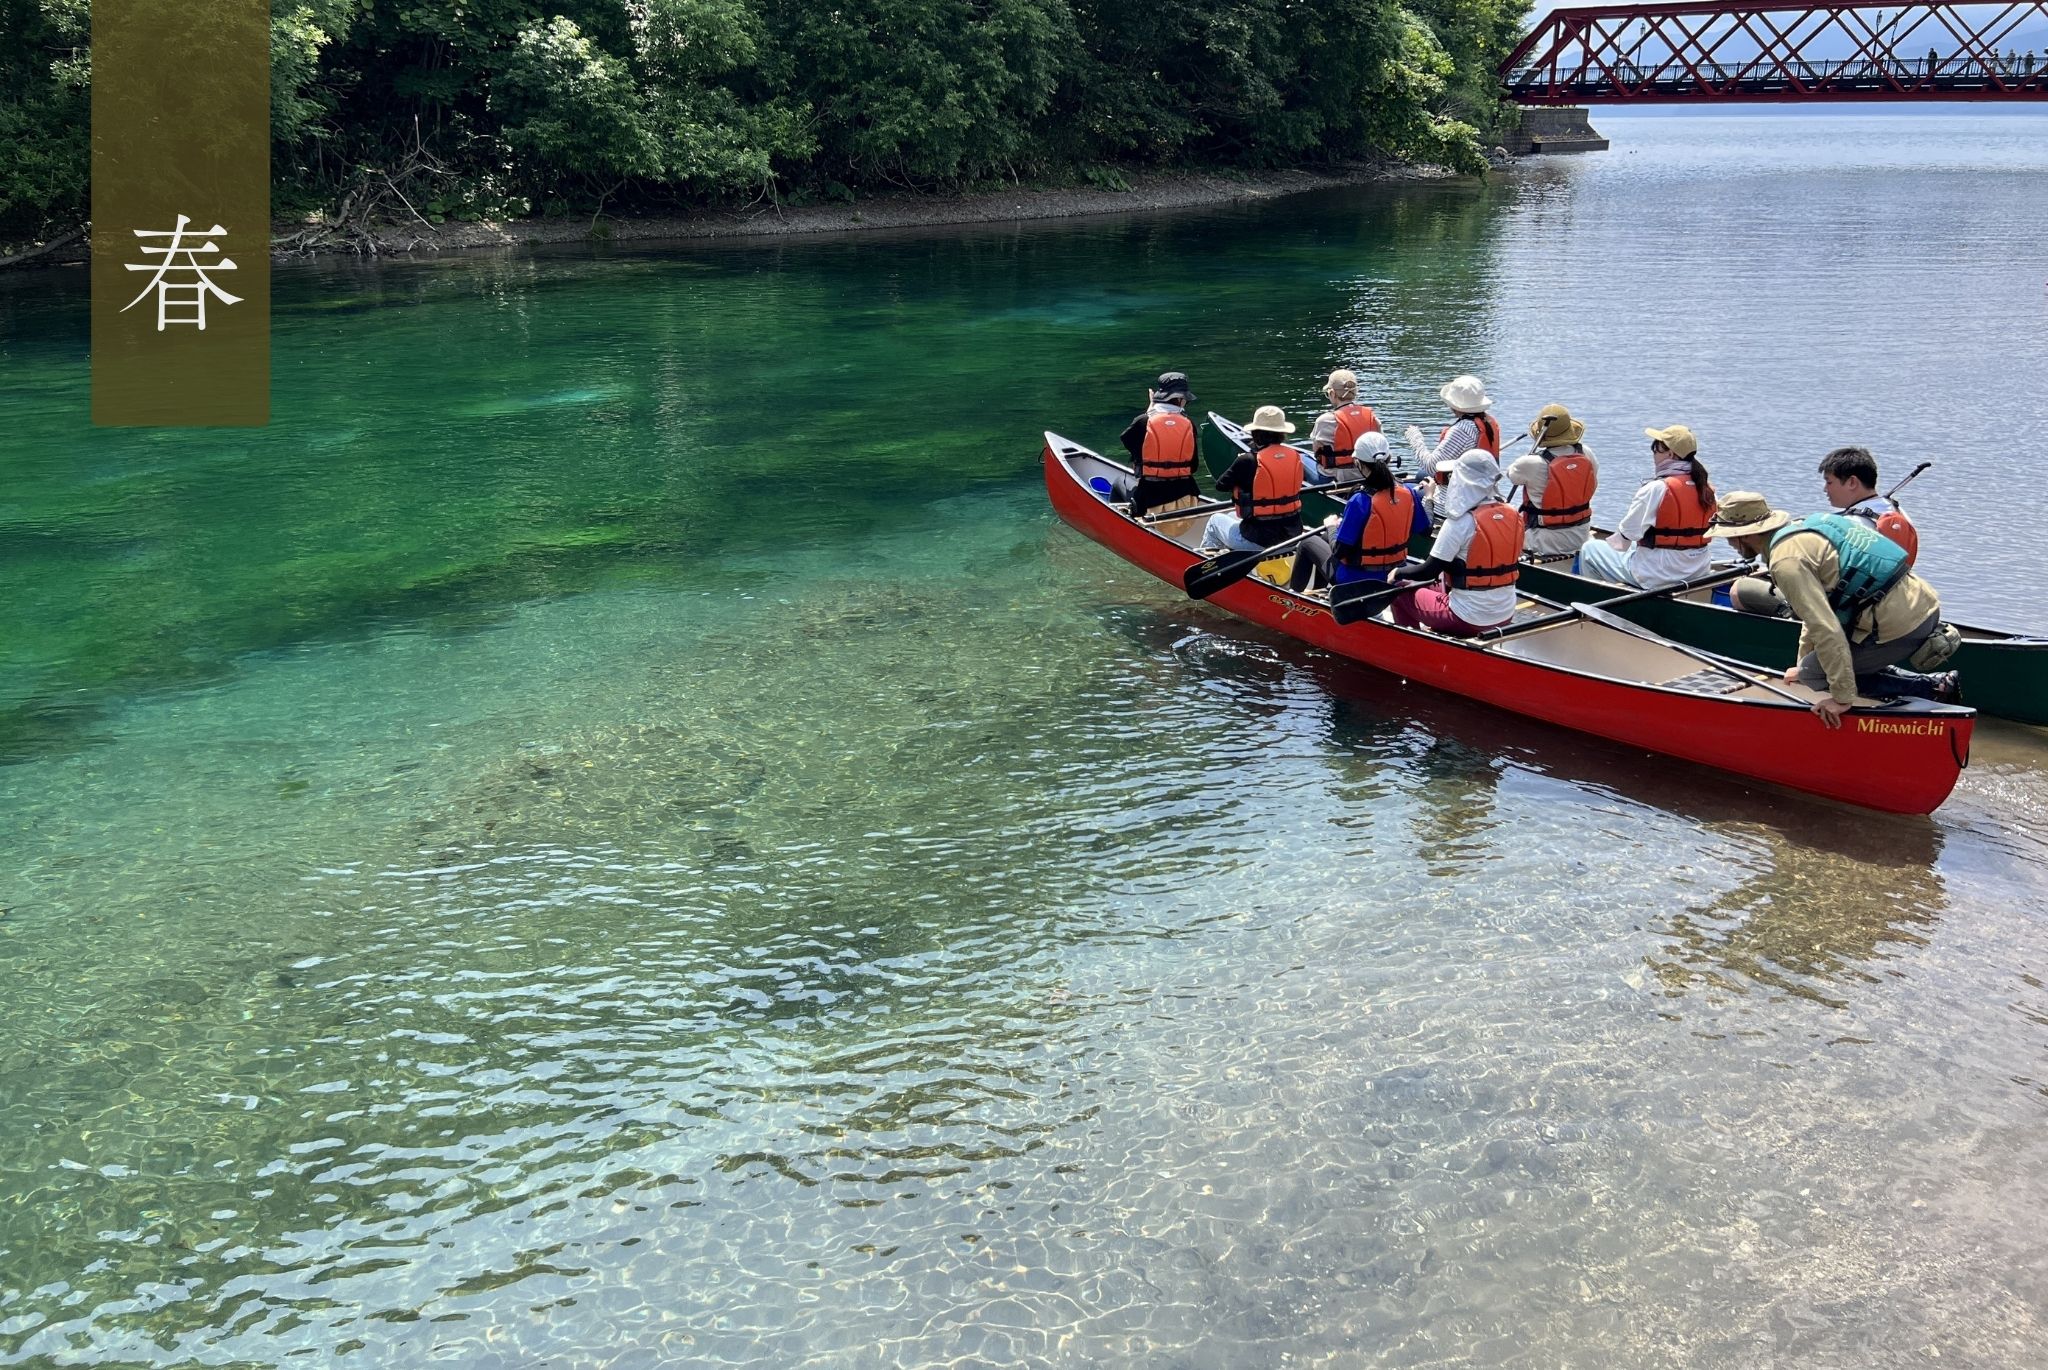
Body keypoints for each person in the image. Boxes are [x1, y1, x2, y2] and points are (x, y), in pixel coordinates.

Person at [1707, 492, 1960, 726]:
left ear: (1747, 534)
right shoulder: (1809, 525)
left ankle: (1931, 690)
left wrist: (1840, 697)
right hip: (1923, 604)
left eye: (1730, 537)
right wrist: (1803, 663)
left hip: (1900, 625)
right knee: (1810, 670)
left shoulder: (1785, 562)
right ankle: (1929, 684)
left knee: (1819, 675)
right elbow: (1815, 617)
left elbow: (1825, 627)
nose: (1729, 543)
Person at [1732, 445, 1920, 614]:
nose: (1825, 489)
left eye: (1829, 482)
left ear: (1852, 482)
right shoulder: (1895, 511)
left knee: (1739, 590)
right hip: (1894, 599)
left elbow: (1819, 576)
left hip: (1850, 608)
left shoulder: (1851, 525)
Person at [1381, 451, 1524, 636]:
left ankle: (1410, 643)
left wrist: (1398, 572)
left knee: (1399, 590)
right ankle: (1437, 625)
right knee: (1439, 580)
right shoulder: (1513, 514)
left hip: (1467, 618)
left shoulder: (1460, 522)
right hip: (1506, 612)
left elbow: (1428, 570)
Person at [1574, 424, 1717, 588]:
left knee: (1590, 549)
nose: (1653, 455)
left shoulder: (1656, 488)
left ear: (1670, 454)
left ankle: (1594, 601)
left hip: (1659, 574)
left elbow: (1627, 535)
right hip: (1698, 569)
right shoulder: (1707, 489)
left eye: (1656, 449)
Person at [1289, 458, 1432, 592]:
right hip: (1393, 574)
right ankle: (1317, 592)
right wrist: (1429, 498)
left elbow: (1339, 552)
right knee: (1326, 537)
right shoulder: (1407, 493)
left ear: (1360, 465)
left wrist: (1331, 526)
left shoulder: (1360, 500)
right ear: (1389, 458)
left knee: (1307, 542)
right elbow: (1426, 530)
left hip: (1355, 579)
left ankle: (1292, 599)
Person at [1202, 405, 1332, 551]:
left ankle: (1209, 563)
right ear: (1282, 433)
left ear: (1255, 433)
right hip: (1292, 538)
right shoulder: (1294, 457)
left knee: (1215, 520)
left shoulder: (1247, 460)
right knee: (1232, 515)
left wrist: (1240, 468)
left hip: (1257, 541)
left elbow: (1221, 485)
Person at [1506, 402, 1597, 561]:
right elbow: (1593, 485)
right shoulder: (1586, 453)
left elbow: (1511, 474)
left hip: (1541, 542)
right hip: (1581, 536)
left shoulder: (1529, 463)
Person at [1115, 371, 1202, 518]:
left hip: (1150, 504)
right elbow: (1193, 466)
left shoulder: (1142, 421)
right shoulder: (1189, 424)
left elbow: (1128, 440)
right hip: (1187, 501)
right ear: (1180, 399)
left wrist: (1150, 410)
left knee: (1118, 483)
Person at [1404, 374, 1501, 475]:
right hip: (1485, 486)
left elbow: (1431, 467)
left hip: (1458, 489)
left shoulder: (1462, 430)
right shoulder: (1487, 421)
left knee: (1422, 473)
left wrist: (1415, 438)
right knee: (1421, 474)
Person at [1309, 369, 1382, 473]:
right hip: (1369, 473)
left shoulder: (1325, 420)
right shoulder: (1372, 417)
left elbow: (1316, 451)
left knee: (1304, 458)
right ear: (1355, 392)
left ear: (1332, 394)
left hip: (1338, 476)